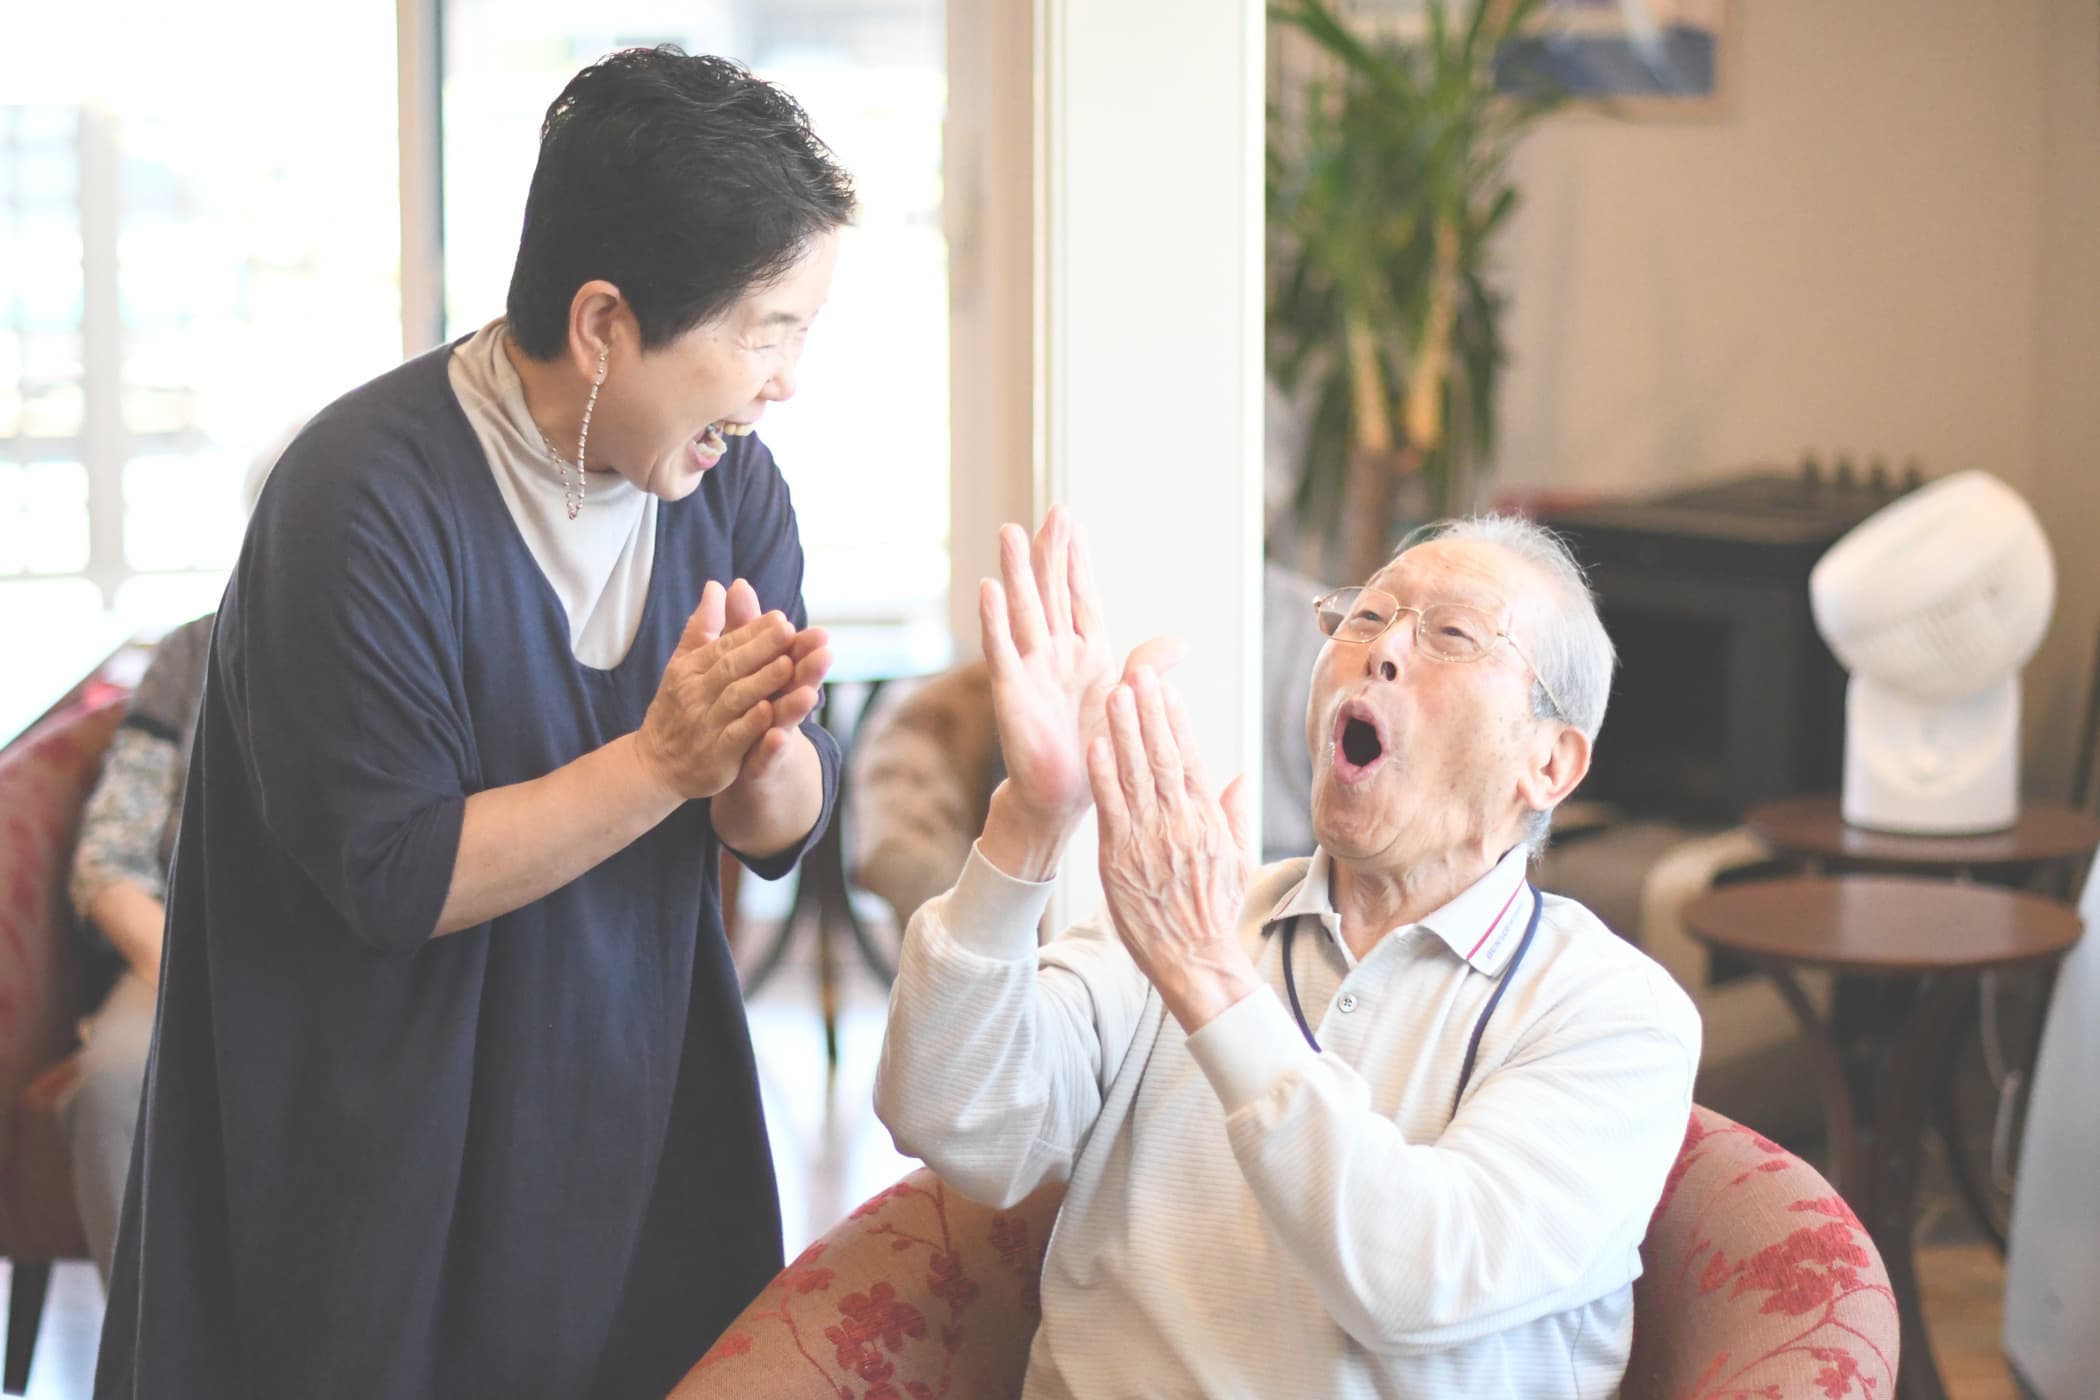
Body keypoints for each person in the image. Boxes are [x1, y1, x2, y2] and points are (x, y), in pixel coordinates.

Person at [97, 48, 851, 1400]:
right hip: (374, 1166)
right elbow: (395, 875)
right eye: (766, 331)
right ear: (607, 321)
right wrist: (661, 759)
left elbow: (780, 827)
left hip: (631, 1118)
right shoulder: (360, 502)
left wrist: (764, 757)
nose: (785, 379)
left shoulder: (732, 490)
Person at [875, 508, 1702, 1397]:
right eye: (1366, 618)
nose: (1381, 651)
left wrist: (1207, 980)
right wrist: (1031, 822)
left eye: (1452, 634)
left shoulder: (1615, 1013)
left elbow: (1417, 1277)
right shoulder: (1194, 907)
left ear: (1550, 763)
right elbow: (955, 1120)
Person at [63, 614, 212, 1282]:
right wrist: (193, 980)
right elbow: (108, 855)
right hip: (182, 946)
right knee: (119, 1080)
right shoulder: (190, 654)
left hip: (361, 959)